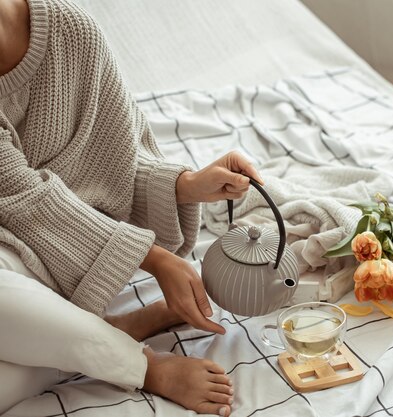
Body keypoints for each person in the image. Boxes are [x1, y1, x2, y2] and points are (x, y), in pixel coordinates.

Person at [0, 0, 263, 415]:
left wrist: (188, 185)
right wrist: (152, 258)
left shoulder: (70, 31)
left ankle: (80, 338)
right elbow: (22, 198)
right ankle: (137, 357)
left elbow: (113, 159)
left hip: (49, 271)